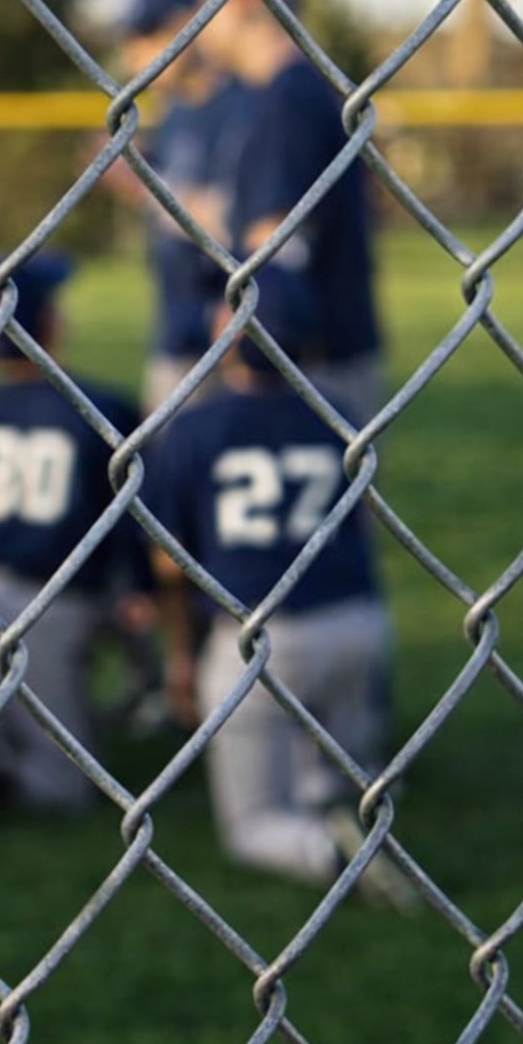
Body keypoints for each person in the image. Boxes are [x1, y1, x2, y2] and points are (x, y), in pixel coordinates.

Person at [146, 266, 413, 907]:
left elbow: (166, 565)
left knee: (251, 825)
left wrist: (180, 656)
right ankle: (341, 792)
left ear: (223, 335)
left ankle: (326, 851)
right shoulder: (341, 413)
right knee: (326, 764)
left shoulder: (193, 427)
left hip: (263, 642)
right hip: (358, 624)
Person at [0, 254, 156, 811]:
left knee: (5, 718)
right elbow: (135, 523)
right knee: (63, 789)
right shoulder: (102, 406)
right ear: (50, 325)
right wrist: (143, 587)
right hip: (59, 602)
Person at [196, 0, 383, 425]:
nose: (200, 25)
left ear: (241, 1)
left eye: (207, 7)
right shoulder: (277, 93)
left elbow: (276, 236)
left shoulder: (287, 98)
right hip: (312, 348)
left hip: (310, 357)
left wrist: (241, 323)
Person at [115, 0, 250, 415]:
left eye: (147, 38)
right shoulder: (172, 114)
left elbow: (235, 212)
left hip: (236, 325)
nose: (132, 57)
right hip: (177, 322)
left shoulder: (241, 105)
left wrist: (149, 191)